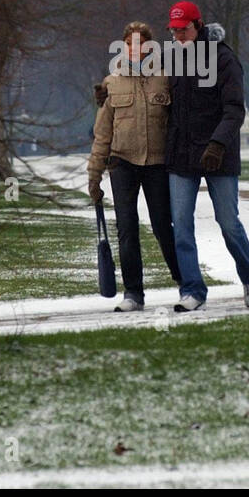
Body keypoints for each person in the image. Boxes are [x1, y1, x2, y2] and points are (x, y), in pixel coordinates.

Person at [163, 0, 249, 312]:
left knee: (228, 222)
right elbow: (159, 99)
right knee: (180, 225)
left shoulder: (223, 59)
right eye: (173, 31)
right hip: (181, 155)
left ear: (198, 25)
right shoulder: (173, 60)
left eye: (183, 30)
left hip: (218, 155)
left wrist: (217, 145)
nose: (178, 36)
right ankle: (192, 290)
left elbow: (234, 109)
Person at [88, 21, 181, 311]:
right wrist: (94, 175)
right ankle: (133, 293)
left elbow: (179, 123)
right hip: (122, 164)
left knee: (163, 227)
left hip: (156, 164)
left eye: (141, 44)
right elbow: (103, 133)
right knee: (126, 229)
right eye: (130, 44)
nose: (135, 49)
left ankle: (186, 283)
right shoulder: (111, 84)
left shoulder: (164, 80)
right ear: (124, 47)